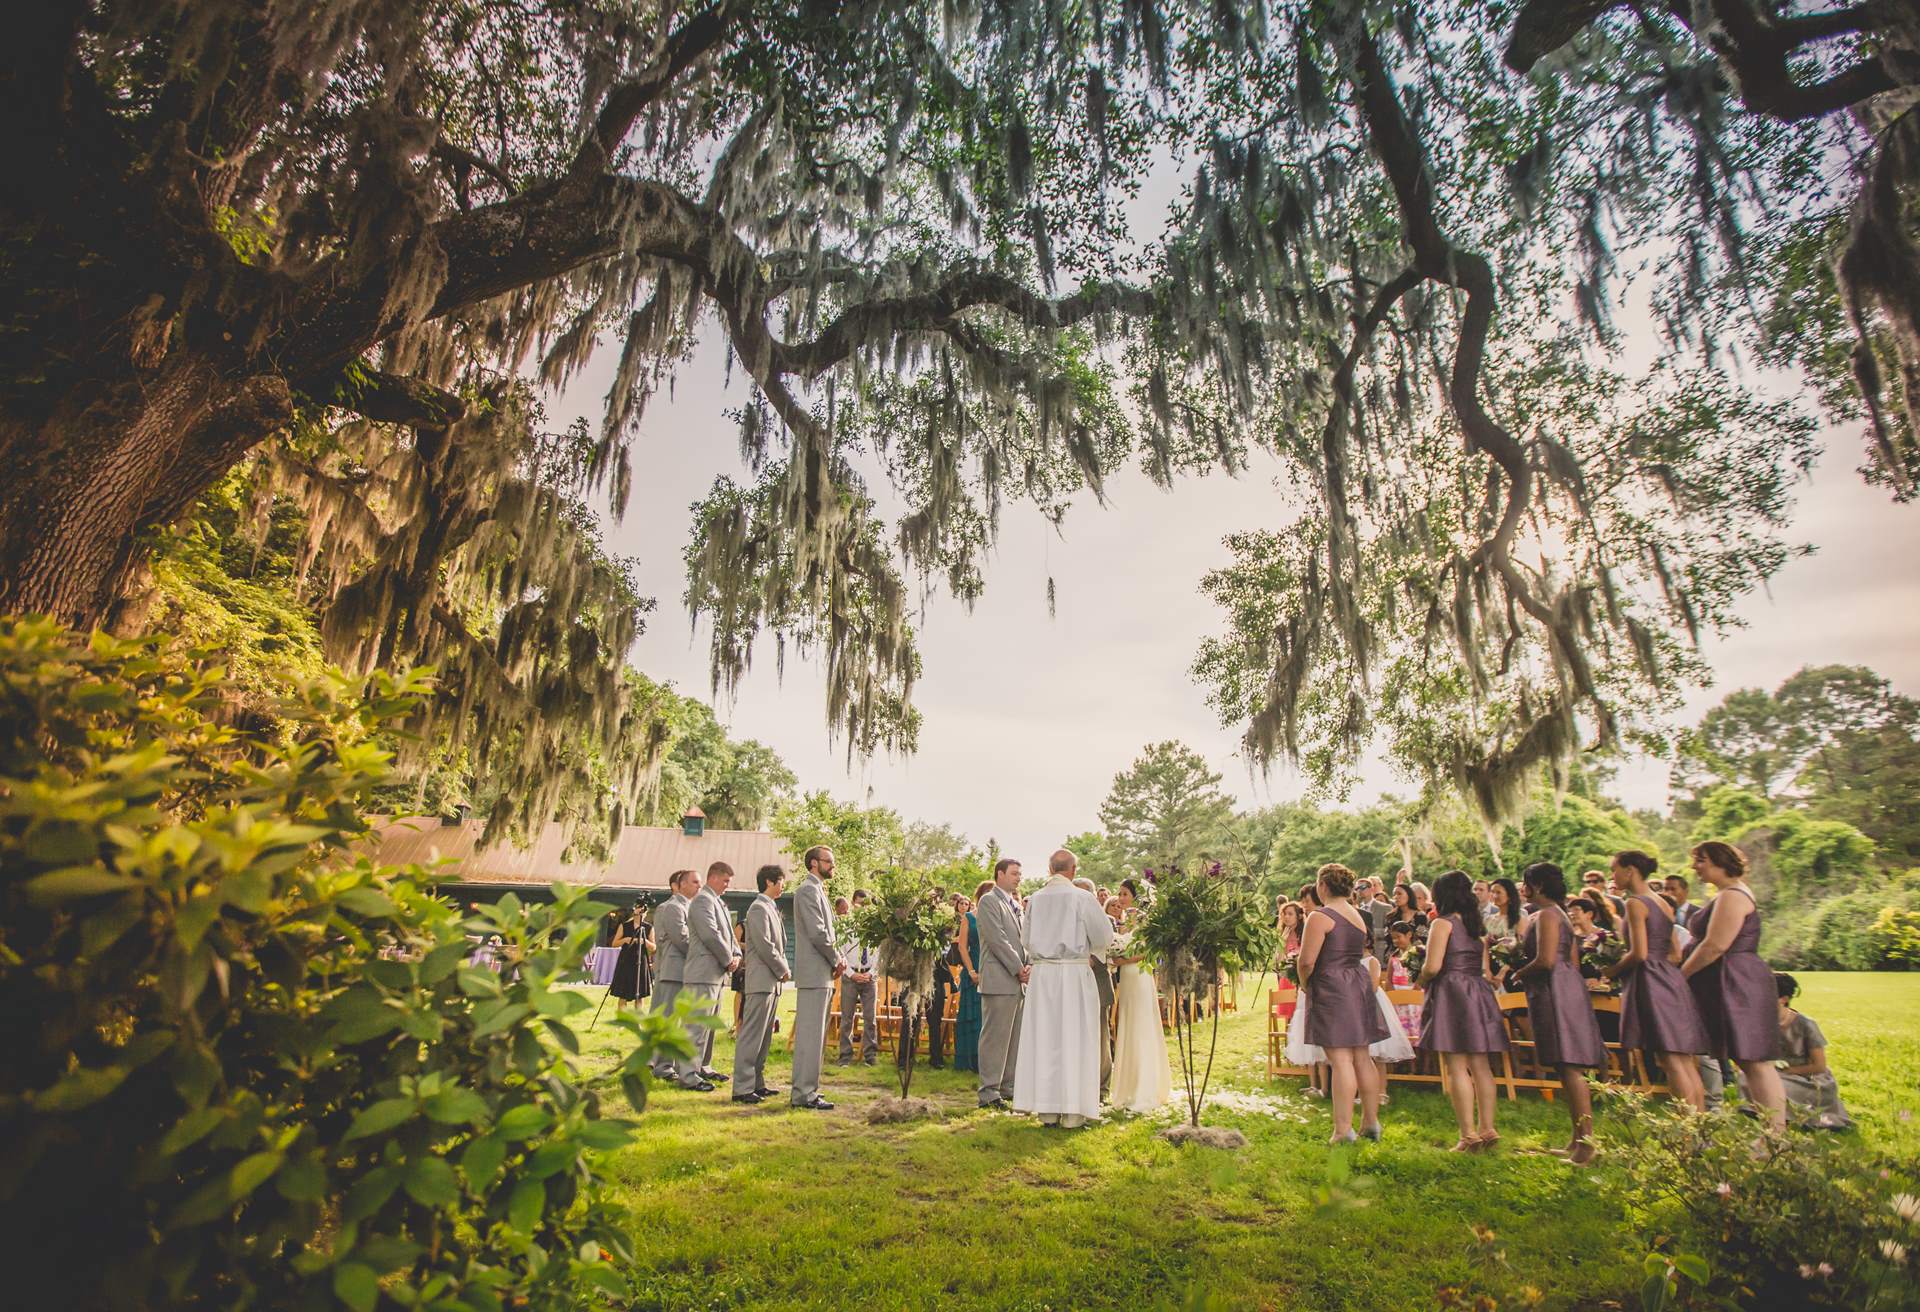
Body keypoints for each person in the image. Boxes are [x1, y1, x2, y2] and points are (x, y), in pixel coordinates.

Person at [1681, 840, 1786, 1130]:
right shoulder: (1727, 894)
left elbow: (1715, 945)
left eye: (1700, 860)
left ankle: (1774, 1136)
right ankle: (1772, 1134)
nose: (1695, 867)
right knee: (1748, 1059)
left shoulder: (1733, 896)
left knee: (1754, 1060)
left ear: (1719, 861)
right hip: (1728, 981)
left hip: (1738, 982)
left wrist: (1682, 975)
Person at [1511, 862, 1605, 1166]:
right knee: (1565, 1068)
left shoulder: (1550, 914)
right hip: (1562, 987)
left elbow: (1547, 960)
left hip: (1556, 990)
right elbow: (1573, 962)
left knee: (1570, 1066)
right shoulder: (1556, 914)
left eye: (1525, 883)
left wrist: (1519, 973)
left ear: (1537, 886)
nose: (1522, 888)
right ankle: (1576, 1139)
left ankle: (1587, 1145)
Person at [1601, 849, 1709, 1112]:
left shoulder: (1636, 903)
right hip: (1669, 978)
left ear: (1630, 871)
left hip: (1650, 981)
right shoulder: (1662, 902)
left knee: (1669, 1058)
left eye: (1615, 869)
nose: (1612, 874)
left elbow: (1639, 953)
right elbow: (1675, 952)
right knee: (1682, 1058)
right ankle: (1699, 1128)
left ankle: (1686, 1132)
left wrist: (1611, 970)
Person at [1013, 850, 1115, 1127]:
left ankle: (1047, 1110)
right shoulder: (1083, 898)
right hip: (1073, 974)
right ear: (1073, 870)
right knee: (1075, 1037)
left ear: (1049, 869)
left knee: (1046, 1039)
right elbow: (1104, 936)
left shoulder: (1034, 900)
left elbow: (1026, 939)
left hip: (1044, 975)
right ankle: (1073, 1112)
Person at [1418, 871, 1509, 1153]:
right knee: (1480, 1064)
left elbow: (1433, 966)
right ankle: (1488, 1128)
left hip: (1452, 992)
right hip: (1477, 991)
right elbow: (1483, 969)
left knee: (1456, 1064)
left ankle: (1468, 1135)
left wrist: (1420, 980)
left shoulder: (1442, 925)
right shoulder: (1476, 929)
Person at [1299, 862, 1388, 1144]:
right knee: (1362, 1055)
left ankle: (1342, 1129)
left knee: (1340, 1059)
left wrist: (1305, 983)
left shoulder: (1320, 916)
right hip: (1357, 983)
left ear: (1322, 886)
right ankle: (1371, 1123)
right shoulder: (1358, 915)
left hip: (1332, 985)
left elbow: (1306, 961)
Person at [1107, 878, 1172, 1112]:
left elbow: (1145, 952)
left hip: (1139, 976)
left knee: (1140, 1027)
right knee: (1129, 1026)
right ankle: (1129, 1088)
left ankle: (1145, 1087)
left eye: (1124, 894)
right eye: (1120, 894)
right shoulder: (1126, 921)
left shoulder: (1143, 921)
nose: (1120, 898)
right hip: (1127, 978)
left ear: (1136, 896)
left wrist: (1118, 959)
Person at [788, 845, 843, 1111]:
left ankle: (810, 1090)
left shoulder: (819, 890)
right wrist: (836, 958)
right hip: (813, 972)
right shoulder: (807, 890)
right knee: (810, 1037)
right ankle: (802, 1094)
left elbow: (831, 934)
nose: (833, 866)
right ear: (813, 863)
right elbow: (818, 932)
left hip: (823, 973)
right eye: (828, 861)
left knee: (817, 1037)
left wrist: (839, 956)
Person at [732, 865, 791, 1103]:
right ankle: (742, 1088)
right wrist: (783, 968)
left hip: (771, 982)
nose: (783, 886)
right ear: (769, 882)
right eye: (781, 881)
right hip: (760, 979)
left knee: (765, 1036)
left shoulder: (771, 908)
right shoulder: (758, 908)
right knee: (752, 1035)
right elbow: (765, 945)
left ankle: (757, 1082)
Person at [680, 861, 740, 1091]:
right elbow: (710, 935)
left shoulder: (718, 902)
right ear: (713, 878)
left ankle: (704, 1065)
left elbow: (730, 935)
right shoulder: (702, 901)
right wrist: (728, 959)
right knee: (696, 1024)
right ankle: (688, 1073)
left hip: (715, 973)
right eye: (725, 881)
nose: (726, 886)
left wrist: (736, 954)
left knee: (709, 1025)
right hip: (702, 971)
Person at [976, 858, 1029, 1108]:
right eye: (1014, 873)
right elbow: (997, 940)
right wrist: (1019, 968)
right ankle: (988, 1093)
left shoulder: (1015, 904)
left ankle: (1008, 1088)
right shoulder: (989, 901)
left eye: (1020, 874)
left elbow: (1021, 941)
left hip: (1017, 982)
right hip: (999, 979)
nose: (1018, 877)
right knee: (995, 1038)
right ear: (999, 874)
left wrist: (1027, 964)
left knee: (1013, 1038)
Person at [1773, 973, 1852, 1129]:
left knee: (1777, 1085)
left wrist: (1788, 1071)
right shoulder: (1762, 1023)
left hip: (1808, 1078)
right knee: (1746, 1079)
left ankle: (1789, 1118)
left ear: (1784, 999)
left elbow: (1819, 1066)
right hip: (1776, 1072)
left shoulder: (1806, 1024)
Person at [1071, 875, 1117, 1099]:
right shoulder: (1069, 918)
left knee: (1100, 1036)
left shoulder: (1104, 919)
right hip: (1074, 985)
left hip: (1097, 982)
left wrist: (1082, 962)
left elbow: (1103, 948)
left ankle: (1101, 1087)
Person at [647, 869, 695, 1080]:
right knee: (667, 1019)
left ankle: (668, 1062)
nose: (697, 887)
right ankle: (661, 1066)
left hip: (684, 970)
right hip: (672, 970)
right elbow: (681, 939)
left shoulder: (689, 907)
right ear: (676, 885)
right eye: (692, 882)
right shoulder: (671, 907)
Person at [838, 889, 879, 1065]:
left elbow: (880, 954)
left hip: (869, 977)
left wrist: (870, 974)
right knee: (847, 1017)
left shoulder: (876, 928)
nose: (861, 907)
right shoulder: (846, 926)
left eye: (865, 904)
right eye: (859, 904)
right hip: (851, 975)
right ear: (853, 903)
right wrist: (852, 974)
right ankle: (845, 1056)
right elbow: (840, 951)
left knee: (870, 1018)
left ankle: (870, 1056)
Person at [953, 883, 988, 1072]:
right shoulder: (968, 918)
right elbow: (961, 946)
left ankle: (987, 1060)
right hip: (973, 967)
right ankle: (969, 1060)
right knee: (971, 1016)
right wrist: (972, 970)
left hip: (992, 969)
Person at [608, 900, 651, 1011]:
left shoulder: (648, 928)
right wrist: (626, 940)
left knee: (639, 996)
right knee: (623, 995)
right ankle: (623, 1019)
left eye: (643, 911)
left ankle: (638, 1021)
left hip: (641, 961)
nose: (641, 913)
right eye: (639, 909)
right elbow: (614, 944)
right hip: (626, 960)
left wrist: (644, 941)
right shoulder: (625, 926)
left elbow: (654, 947)